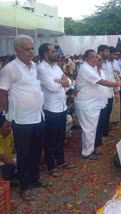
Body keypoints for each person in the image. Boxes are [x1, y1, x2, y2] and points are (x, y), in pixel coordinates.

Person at [0, 35, 52, 201]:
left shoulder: (34, 66)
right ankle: (25, 185)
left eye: (32, 48)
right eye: (28, 49)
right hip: (22, 120)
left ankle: (36, 178)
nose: (32, 52)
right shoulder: (10, 68)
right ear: (17, 50)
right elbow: (2, 92)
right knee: (24, 153)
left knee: (37, 150)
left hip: (38, 116)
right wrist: (9, 115)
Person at [75, 49, 121, 160]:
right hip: (87, 104)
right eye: (93, 57)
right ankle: (86, 153)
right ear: (86, 59)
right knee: (89, 129)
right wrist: (119, 84)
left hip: (93, 103)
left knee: (92, 128)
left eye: (96, 57)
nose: (95, 59)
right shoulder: (86, 69)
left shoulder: (92, 68)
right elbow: (102, 82)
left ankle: (91, 149)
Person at [37, 43, 76, 178]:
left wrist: (62, 82)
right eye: (53, 51)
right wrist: (63, 82)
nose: (56, 53)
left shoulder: (56, 67)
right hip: (50, 109)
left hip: (62, 106)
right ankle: (51, 166)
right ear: (46, 54)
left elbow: (70, 82)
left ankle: (61, 161)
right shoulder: (41, 68)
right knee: (50, 139)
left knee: (61, 135)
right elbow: (52, 87)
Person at [0, 114, 17, 181]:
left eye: (10, 125)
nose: (10, 128)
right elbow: (4, 158)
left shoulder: (10, 133)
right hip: (3, 163)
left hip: (12, 159)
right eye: (7, 127)